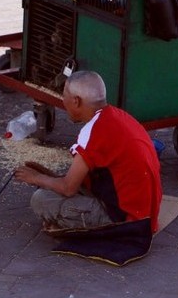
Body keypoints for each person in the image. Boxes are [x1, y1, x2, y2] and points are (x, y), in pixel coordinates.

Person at [14, 70, 162, 234]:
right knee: (52, 187)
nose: (63, 102)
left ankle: (79, 225)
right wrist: (47, 177)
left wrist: (36, 178)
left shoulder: (93, 131)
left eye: (64, 97)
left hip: (128, 220)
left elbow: (68, 188)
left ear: (76, 101)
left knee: (40, 199)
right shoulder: (118, 115)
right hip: (147, 211)